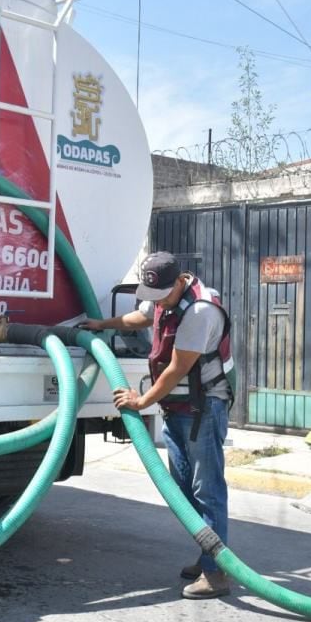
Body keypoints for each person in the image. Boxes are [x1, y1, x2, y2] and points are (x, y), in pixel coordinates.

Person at [83, 252, 235, 599]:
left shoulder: (199, 311)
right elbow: (141, 316)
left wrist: (140, 401)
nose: (157, 303)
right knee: (181, 488)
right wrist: (101, 325)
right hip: (177, 406)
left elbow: (176, 369)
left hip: (202, 407)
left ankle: (217, 573)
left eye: (161, 296)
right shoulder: (164, 295)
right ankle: (209, 552)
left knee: (206, 489)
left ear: (179, 280)